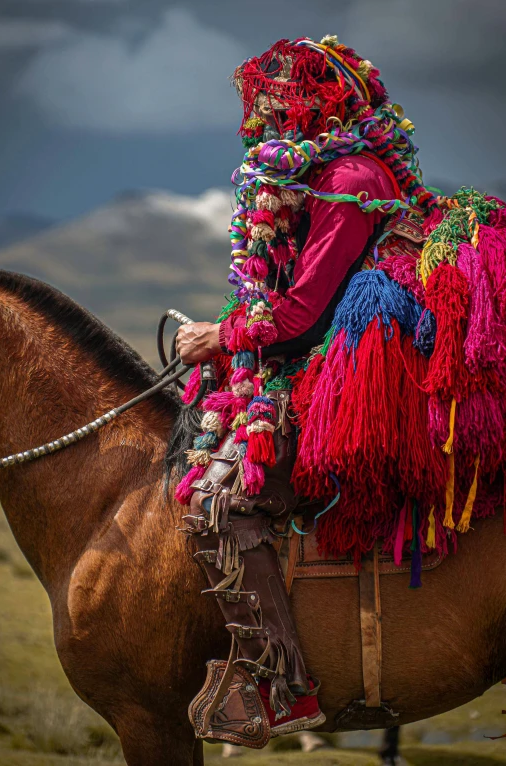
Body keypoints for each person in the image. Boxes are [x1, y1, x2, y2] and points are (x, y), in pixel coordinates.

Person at [174, 35, 435, 748]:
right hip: (325, 351)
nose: (263, 121)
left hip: (359, 369)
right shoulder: (329, 170)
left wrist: (219, 338)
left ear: (316, 106)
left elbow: (301, 317)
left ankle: (283, 690)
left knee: (223, 499)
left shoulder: (346, 178)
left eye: (277, 106)